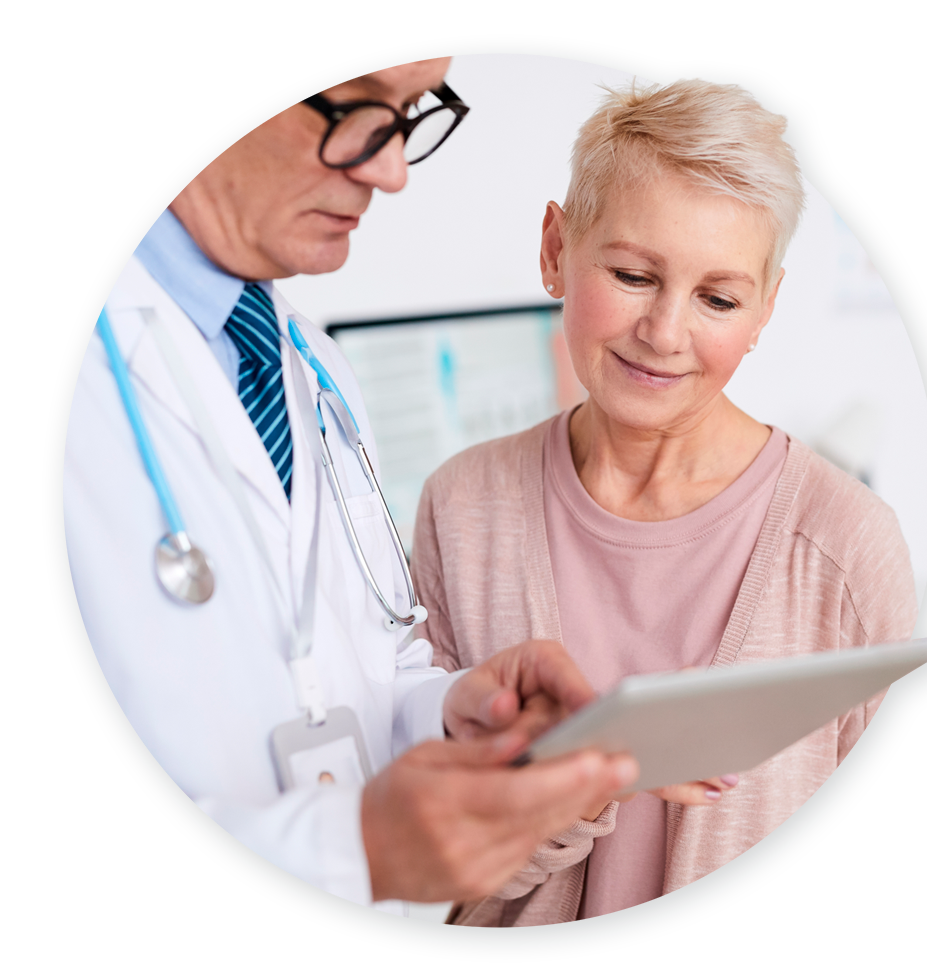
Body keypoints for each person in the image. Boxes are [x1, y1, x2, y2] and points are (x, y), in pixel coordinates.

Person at [61, 52, 643, 927]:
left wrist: (451, 717)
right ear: (159, 64)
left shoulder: (307, 361)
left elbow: (346, 664)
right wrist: (352, 851)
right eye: (352, 109)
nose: (391, 169)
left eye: (409, 113)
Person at [410, 78, 927, 927]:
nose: (664, 332)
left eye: (718, 299)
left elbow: (896, 893)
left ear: (765, 307)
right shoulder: (463, 507)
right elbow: (428, 857)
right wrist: (588, 773)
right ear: (555, 248)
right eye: (630, 275)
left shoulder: (844, 543)